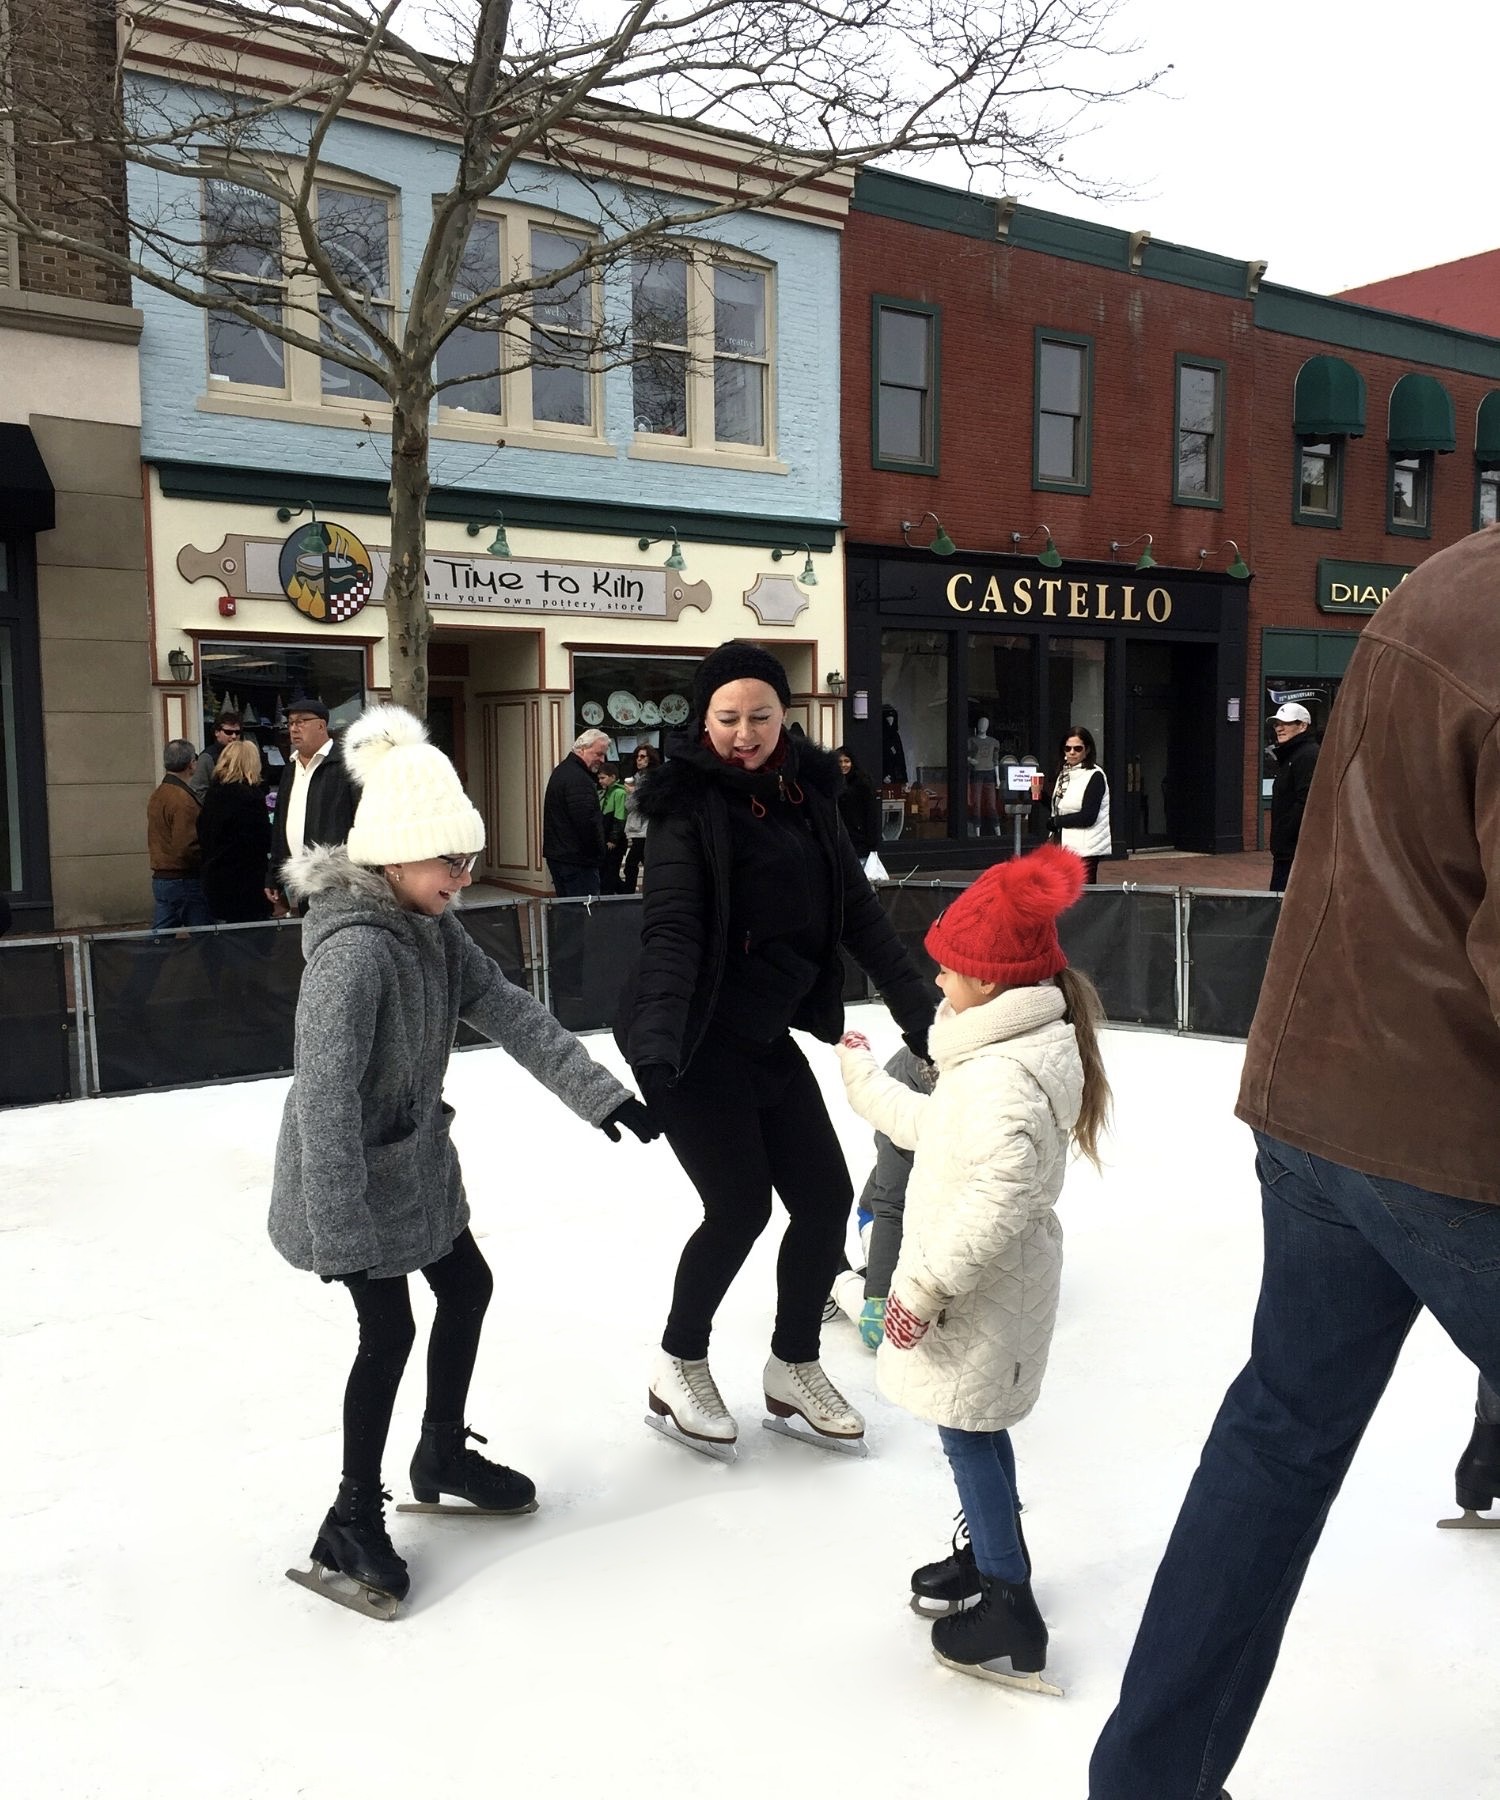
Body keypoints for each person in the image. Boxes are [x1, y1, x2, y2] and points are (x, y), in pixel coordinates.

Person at [1089, 527, 1500, 1799]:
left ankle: (1149, 1782)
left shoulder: (1452, 578)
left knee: (1278, 1437)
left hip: (1320, 1091)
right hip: (1448, 1132)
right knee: (1280, 1433)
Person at [270, 704, 659, 1620]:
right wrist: (340, 1231)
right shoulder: (354, 956)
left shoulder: (432, 932)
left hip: (416, 1169)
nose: (465, 876)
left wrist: (598, 1092)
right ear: (396, 858)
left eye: (469, 860)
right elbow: (322, 1100)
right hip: (350, 1188)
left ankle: (440, 1450)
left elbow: (511, 1010)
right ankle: (350, 1517)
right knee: (388, 1332)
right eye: (450, 862)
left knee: (468, 1287)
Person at [619, 641, 935, 1458]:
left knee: (825, 1199)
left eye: (761, 715)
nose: (745, 733)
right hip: (689, 1036)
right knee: (739, 1208)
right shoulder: (687, 807)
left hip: (762, 1031)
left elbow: (859, 916)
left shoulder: (807, 795)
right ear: (704, 720)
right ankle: (677, 1363)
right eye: (727, 718)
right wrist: (655, 1047)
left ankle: (793, 1364)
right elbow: (673, 931)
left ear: (786, 715)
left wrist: (921, 1013)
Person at [836, 846, 1108, 1690]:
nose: (939, 983)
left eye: (949, 970)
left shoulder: (1003, 1077)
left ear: (989, 983)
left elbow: (996, 1205)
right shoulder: (991, 1058)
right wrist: (858, 1075)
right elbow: (934, 1131)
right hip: (982, 1295)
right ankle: (995, 1558)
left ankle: (1010, 1603)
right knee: (973, 1433)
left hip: (978, 1297)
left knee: (969, 1435)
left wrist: (917, 1292)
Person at [826, 1044, 937, 1349]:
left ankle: (887, 1269)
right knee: (887, 1335)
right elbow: (891, 1201)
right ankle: (833, 1274)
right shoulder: (905, 1081)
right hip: (888, 1213)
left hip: (938, 1223)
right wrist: (877, 1297)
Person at [266, 697, 357, 912]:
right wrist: (274, 874)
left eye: (301, 721)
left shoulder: (345, 765)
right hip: (300, 880)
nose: (294, 729)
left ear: (321, 725)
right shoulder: (291, 768)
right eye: (290, 723)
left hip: (338, 879)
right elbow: (281, 822)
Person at [199, 737, 273, 923]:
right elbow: (262, 840)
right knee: (252, 942)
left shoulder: (213, 795)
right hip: (246, 883)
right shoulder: (250, 799)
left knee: (225, 940)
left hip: (215, 879)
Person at [147, 738, 213, 930]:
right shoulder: (183, 800)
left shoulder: (159, 794)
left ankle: (147, 961)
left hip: (162, 877)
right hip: (183, 879)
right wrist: (206, 861)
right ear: (191, 763)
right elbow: (186, 846)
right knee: (207, 938)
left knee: (159, 938)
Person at [542, 727, 609, 896]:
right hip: (577, 860)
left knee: (569, 913)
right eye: (598, 754)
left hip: (563, 856)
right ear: (582, 750)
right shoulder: (578, 779)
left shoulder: (564, 771)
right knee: (583, 914)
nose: (602, 760)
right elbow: (586, 822)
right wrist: (598, 853)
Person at [1266, 700, 1319, 892]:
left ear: (1302, 725)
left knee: (1282, 903)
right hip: (1286, 850)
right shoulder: (1291, 756)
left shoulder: (1307, 756)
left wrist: (1286, 834)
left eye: (1286, 723)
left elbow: (1306, 801)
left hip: (1295, 851)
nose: (1279, 728)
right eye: (1276, 724)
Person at [1048, 726, 1110, 883]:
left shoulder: (1095, 775)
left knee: (1083, 899)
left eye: (1077, 748)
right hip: (1063, 846)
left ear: (1087, 750)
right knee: (1063, 897)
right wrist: (1038, 796)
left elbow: (1088, 816)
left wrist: (1057, 822)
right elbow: (1061, 809)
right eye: (1067, 748)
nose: (1072, 752)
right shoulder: (1065, 773)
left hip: (1085, 849)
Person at [620, 743, 661, 894]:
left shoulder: (650, 779)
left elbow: (635, 804)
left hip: (644, 827)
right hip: (638, 827)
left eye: (642, 756)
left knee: (632, 862)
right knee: (643, 859)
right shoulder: (638, 777)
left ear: (650, 759)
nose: (639, 760)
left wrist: (633, 792)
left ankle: (630, 891)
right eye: (637, 757)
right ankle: (650, 889)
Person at [834, 745, 881, 858]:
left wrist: (872, 842)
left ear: (852, 762)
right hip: (838, 835)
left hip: (858, 837)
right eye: (839, 762)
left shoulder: (862, 783)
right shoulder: (832, 783)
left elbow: (871, 813)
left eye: (846, 761)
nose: (843, 765)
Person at [189, 711, 243, 798]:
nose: (233, 736)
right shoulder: (207, 757)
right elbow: (197, 791)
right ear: (217, 732)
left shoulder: (244, 755)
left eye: (237, 733)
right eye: (228, 732)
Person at [598, 762, 629, 895]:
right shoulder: (603, 793)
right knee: (606, 871)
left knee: (611, 871)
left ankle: (617, 894)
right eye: (599, 778)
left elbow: (620, 817)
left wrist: (614, 839)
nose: (600, 781)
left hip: (614, 839)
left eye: (603, 778)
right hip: (604, 835)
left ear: (613, 777)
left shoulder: (619, 793)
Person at [967, 717, 1001, 837]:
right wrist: (971, 760)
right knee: (976, 804)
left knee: (991, 805)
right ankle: (977, 833)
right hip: (977, 773)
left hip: (990, 773)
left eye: (985, 724)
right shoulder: (971, 741)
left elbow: (995, 760)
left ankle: (998, 833)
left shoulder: (993, 742)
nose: (982, 726)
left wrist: (997, 778)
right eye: (980, 723)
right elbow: (964, 755)